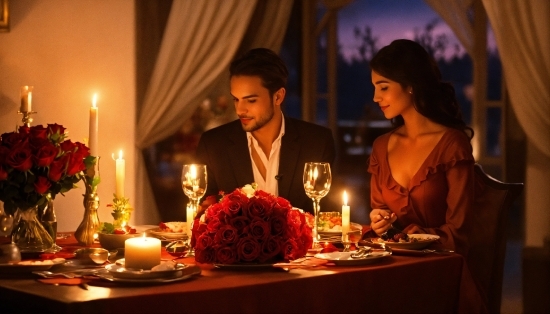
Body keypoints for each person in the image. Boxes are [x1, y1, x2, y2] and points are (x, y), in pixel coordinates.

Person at [366, 39, 487, 312]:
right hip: (391, 269)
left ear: (410, 85)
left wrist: (413, 238)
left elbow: (459, 235)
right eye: (374, 87)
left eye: (383, 87)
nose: (375, 97)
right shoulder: (381, 146)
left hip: (440, 273)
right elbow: (379, 211)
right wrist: (379, 220)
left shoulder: (451, 144)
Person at [195, 48, 336, 214]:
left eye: (251, 100)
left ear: (278, 97)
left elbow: (326, 216)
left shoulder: (317, 142)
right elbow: (203, 215)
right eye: (236, 99)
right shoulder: (213, 145)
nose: (240, 110)